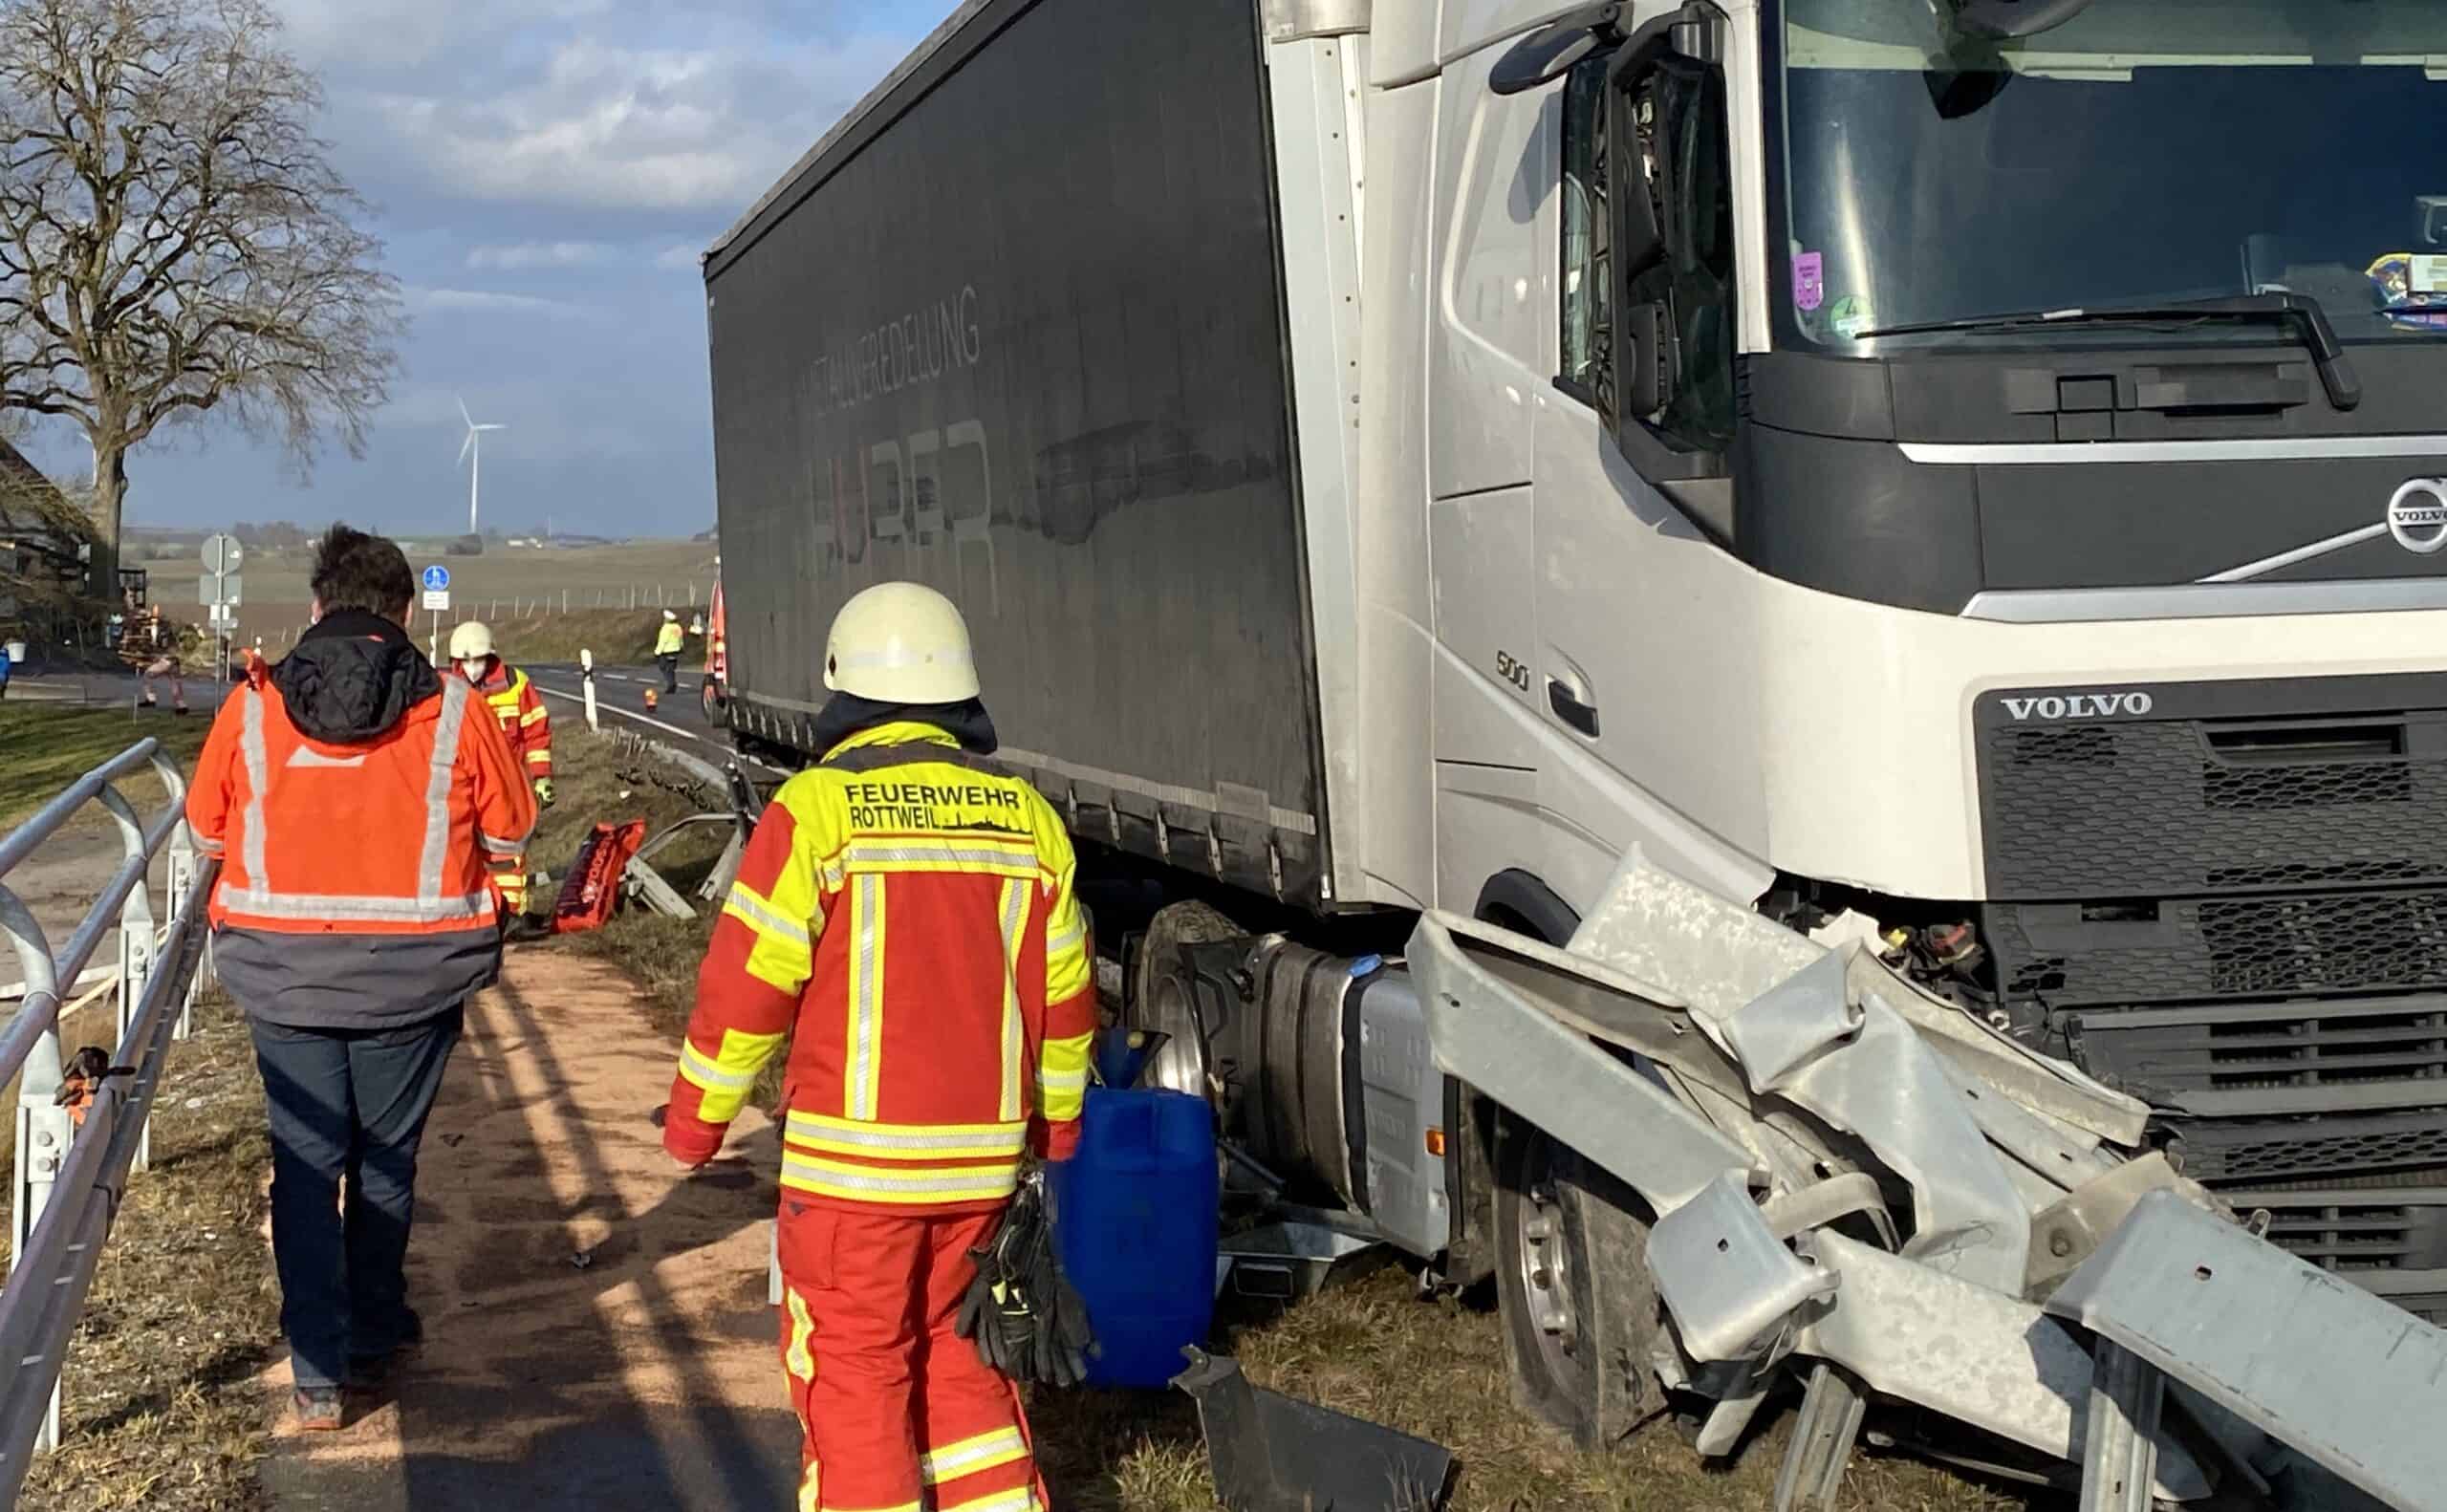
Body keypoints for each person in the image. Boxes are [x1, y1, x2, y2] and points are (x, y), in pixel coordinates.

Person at [661, 581, 1095, 1512]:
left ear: (842, 690)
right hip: (980, 1173)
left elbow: (745, 991)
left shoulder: (818, 810)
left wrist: (696, 1124)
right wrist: (1056, 1136)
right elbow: (1064, 1006)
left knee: (855, 1386)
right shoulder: (1029, 821)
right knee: (969, 1376)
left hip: (852, 1182)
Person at [186, 526, 536, 1432]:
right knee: (385, 1162)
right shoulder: (459, 711)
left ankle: (316, 1372)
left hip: (280, 974)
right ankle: (377, 1333)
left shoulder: (253, 706)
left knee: (305, 1166)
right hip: (414, 980)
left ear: (316, 606)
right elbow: (510, 834)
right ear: (406, 613)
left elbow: (207, 832)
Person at [447, 620, 554, 927]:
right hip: (463, 785)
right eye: (465, 661)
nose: (472, 668)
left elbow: (536, 734)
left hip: (508, 785)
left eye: (477, 659)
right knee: (462, 850)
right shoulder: (449, 689)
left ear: (490, 657)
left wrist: (542, 776)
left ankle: (511, 915)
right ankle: (473, 913)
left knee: (507, 853)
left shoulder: (516, 686)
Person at [654, 608, 685, 694]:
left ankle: (671, 684)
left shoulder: (665, 628)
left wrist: (657, 652)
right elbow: (680, 638)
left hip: (666, 651)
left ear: (667, 619)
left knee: (663, 667)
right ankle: (672, 682)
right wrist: (682, 647)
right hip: (675, 651)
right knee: (671, 668)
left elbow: (662, 641)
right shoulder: (678, 627)